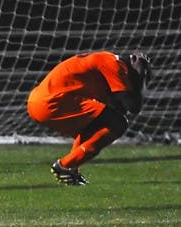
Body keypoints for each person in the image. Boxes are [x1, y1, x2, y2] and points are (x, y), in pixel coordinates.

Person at [27, 51, 153, 185]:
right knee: (118, 124)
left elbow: (121, 107)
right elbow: (133, 106)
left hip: (41, 101)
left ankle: (70, 169)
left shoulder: (108, 62)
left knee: (97, 126)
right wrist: (141, 76)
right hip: (53, 102)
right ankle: (65, 166)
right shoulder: (114, 64)